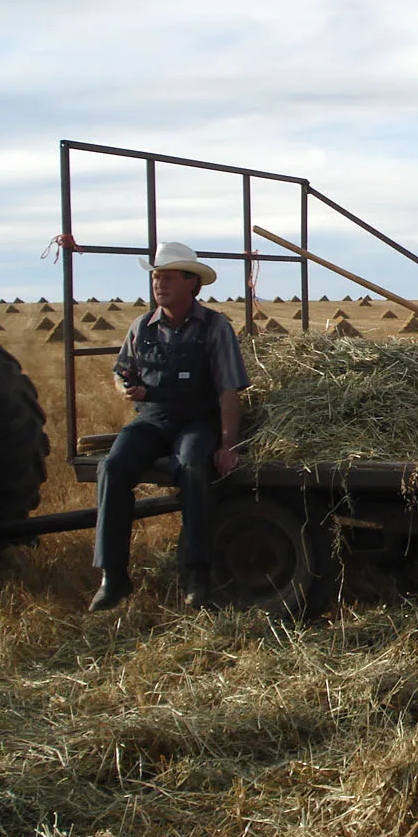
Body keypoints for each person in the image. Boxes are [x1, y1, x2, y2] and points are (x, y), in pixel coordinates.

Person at [89, 242, 249, 612]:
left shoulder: (214, 327)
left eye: (168, 277)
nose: (159, 284)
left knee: (194, 466)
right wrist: (124, 387)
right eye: (156, 276)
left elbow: (228, 391)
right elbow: (120, 371)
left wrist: (228, 445)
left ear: (193, 284)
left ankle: (196, 575)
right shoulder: (141, 327)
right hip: (152, 420)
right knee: (112, 467)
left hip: (197, 422)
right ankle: (113, 576)